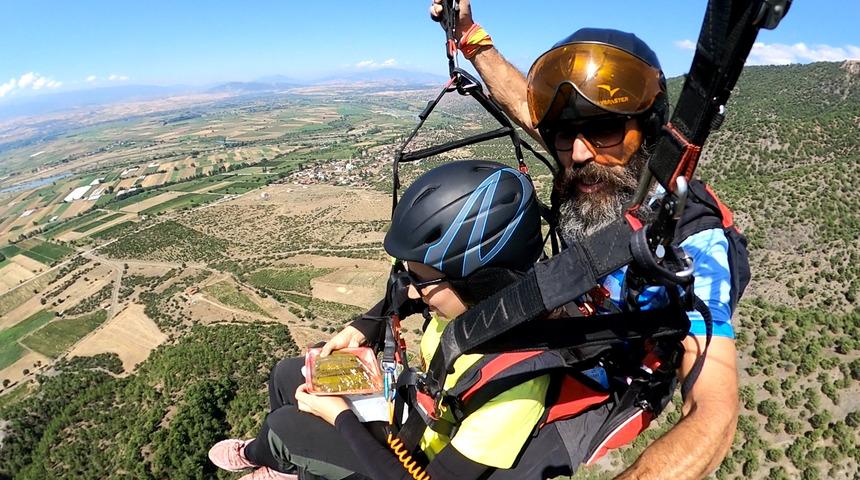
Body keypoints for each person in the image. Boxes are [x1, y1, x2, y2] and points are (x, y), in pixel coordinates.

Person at [421, 2, 741, 479]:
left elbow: (715, 411)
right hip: (562, 320)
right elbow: (518, 100)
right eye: (565, 134)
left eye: (606, 128)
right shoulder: (586, 163)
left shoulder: (694, 242)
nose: (580, 151)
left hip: (613, 379)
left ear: (647, 132)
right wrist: (469, 35)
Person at [208, 160, 558, 479]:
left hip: (414, 460)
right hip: (415, 410)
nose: (412, 293)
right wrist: (364, 326)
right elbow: (405, 296)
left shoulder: (515, 391)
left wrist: (340, 417)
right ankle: (286, 459)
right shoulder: (481, 306)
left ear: (481, 281)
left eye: (422, 281)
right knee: (288, 374)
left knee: (284, 425)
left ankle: (278, 458)